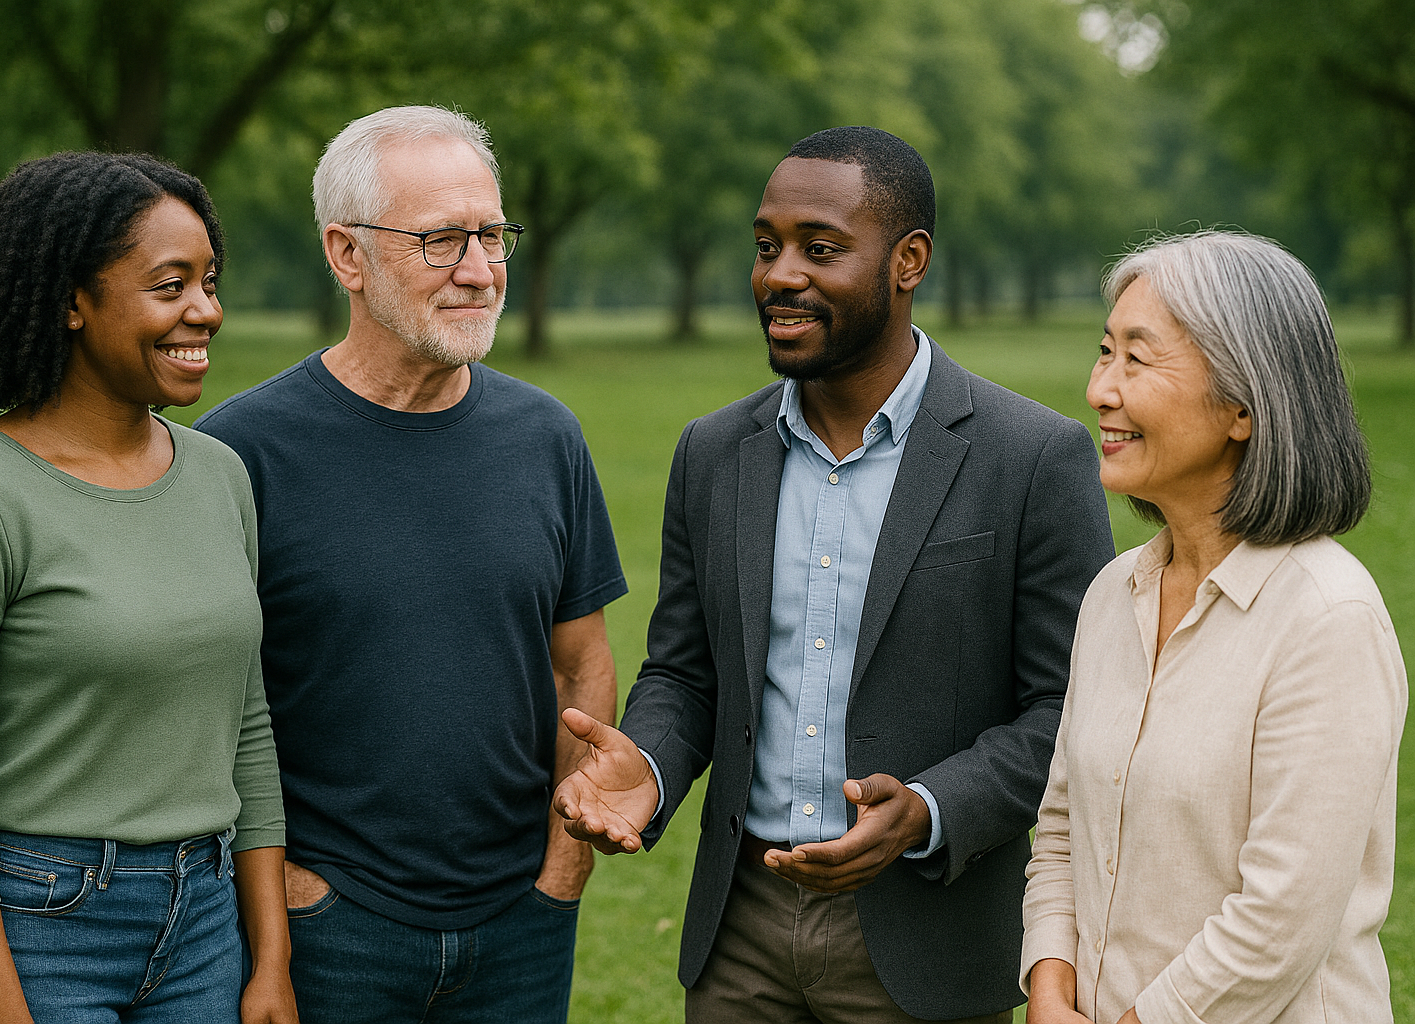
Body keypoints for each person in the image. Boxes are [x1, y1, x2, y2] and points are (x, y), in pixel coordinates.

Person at [554, 126, 1114, 1023]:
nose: (780, 274)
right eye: (766, 246)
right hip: (739, 933)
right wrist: (650, 768)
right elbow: (687, 671)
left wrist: (930, 808)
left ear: (908, 260)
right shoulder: (711, 452)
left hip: (924, 938)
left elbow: (1073, 708)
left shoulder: (1033, 459)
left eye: (820, 249)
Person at [194, 105, 627, 1024]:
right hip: (328, 929)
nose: (480, 270)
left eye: (491, 234)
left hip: (522, 923)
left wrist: (562, 868)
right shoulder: (240, 452)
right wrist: (294, 898)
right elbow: (212, 710)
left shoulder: (547, 437)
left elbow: (579, 664)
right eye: (440, 241)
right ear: (346, 254)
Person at [0, 152, 293, 1023]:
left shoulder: (220, 476)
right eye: (170, 284)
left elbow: (247, 728)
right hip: (29, 931)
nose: (206, 311)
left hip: (204, 931)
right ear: (72, 300)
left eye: (210, 280)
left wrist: (271, 962)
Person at [1021, 231, 1407, 1024]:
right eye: (1105, 352)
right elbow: (1060, 829)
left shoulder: (1327, 618)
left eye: (1137, 358)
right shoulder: (1110, 594)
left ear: (1242, 406)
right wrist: (1049, 988)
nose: (1100, 388)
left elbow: (1279, 923)